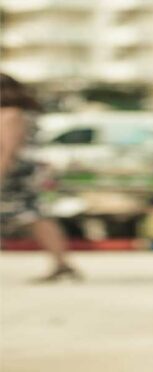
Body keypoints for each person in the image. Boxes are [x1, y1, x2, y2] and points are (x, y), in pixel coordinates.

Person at [0, 73, 80, 282]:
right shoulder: (20, 112)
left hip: (16, 173)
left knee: (33, 216)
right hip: (23, 171)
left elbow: (8, 149)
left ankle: (62, 263)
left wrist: (2, 173)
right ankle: (62, 264)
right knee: (34, 215)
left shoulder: (11, 114)